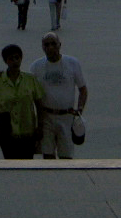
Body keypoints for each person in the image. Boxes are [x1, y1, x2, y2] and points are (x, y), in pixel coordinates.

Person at [30, 32, 87, 160]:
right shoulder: (36, 66)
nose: (50, 48)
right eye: (46, 45)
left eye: (53, 44)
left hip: (66, 117)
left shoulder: (72, 63)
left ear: (59, 45)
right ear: (42, 47)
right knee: (48, 154)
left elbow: (83, 89)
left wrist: (80, 110)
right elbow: (28, 89)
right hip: (46, 117)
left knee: (66, 155)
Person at [0, 44, 44, 158]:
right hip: (7, 132)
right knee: (10, 163)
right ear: (6, 61)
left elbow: (39, 106)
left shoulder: (30, 79)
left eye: (17, 58)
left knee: (27, 163)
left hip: (27, 131)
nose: (15, 61)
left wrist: (40, 127)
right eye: (11, 59)